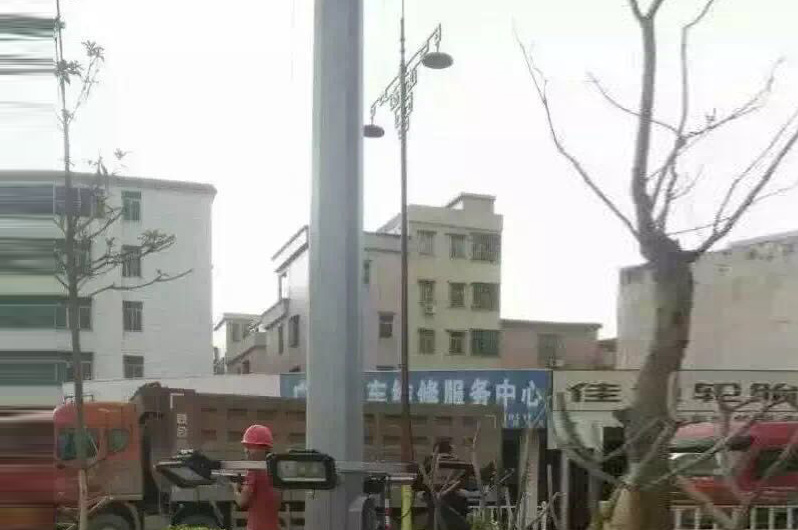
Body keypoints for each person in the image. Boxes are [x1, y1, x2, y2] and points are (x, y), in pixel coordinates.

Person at [233, 424, 281, 530]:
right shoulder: (277, 470)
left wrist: (235, 489)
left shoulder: (253, 470)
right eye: (246, 446)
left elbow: (242, 502)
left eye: (250, 446)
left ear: (263, 448)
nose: (246, 450)